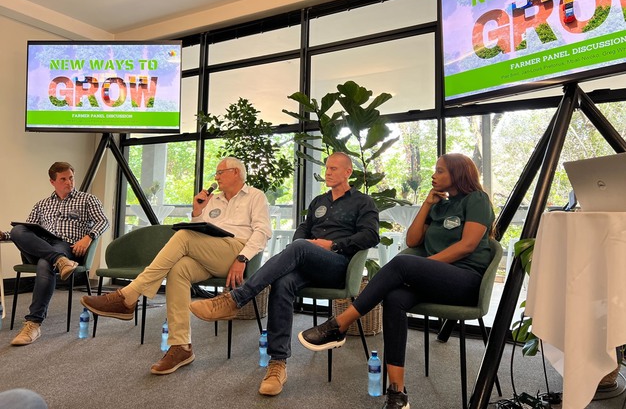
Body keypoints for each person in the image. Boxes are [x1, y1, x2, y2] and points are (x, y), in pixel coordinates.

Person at [298, 153, 495, 409]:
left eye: (440, 171)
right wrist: (427, 204)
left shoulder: (477, 199)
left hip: (465, 281)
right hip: (434, 280)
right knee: (394, 298)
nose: (433, 175)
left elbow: (467, 245)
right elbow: (412, 240)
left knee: (403, 263)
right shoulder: (439, 205)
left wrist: (423, 266)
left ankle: (340, 324)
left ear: (458, 174)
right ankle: (397, 392)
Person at [189, 152, 380, 396]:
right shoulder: (319, 202)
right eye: (327, 168)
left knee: (299, 247)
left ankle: (236, 298)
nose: (328, 172)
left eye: (333, 168)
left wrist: (332, 245)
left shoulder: (363, 202)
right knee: (283, 281)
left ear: (348, 172)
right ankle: (277, 363)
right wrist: (305, 245)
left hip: (338, 265)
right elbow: (303, 229)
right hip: (308, 263)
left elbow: (370, 235)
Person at [81, 157, 272, 375]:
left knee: (183, 236)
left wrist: (242, 258)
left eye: (220, 172)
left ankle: (129, 295)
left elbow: (263, 232)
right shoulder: (214, 200)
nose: (216, 177)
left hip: (235, 252)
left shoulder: (255, 196)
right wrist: (197, 212)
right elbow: (200, 232)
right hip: (209, 253)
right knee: (178, 269)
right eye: (216, 173)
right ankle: (181, 346)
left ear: (236, 172)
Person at [8, 162, 109, 346]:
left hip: (67, 246)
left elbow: (103, 221)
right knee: (17, 230)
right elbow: (29, 230)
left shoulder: (87, 199)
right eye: (63, 179)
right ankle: (59, 260)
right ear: (52, 182)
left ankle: (33, 323)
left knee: (46, 262)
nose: (69, 182)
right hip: (42, 245)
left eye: (71, 178)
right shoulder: (42, 204)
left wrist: (88, 237)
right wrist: (5, 235)